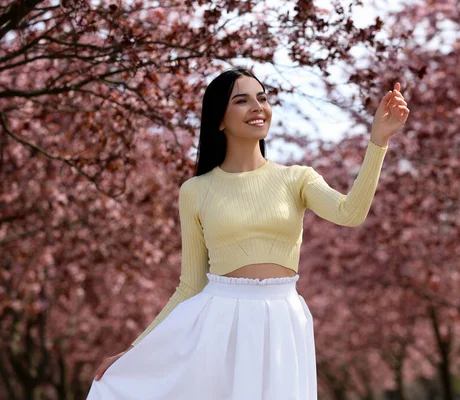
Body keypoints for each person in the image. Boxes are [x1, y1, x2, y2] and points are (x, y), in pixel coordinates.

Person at [86, 67, 409, 399]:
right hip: (219, 320)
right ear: (220, 119)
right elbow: (190, 285)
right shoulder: (196, 190)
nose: (257, 107)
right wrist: (135, 350)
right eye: (241, 100)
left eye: (262, 98)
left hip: (284, 318)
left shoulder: (297, 178)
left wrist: (378, 140)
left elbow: (350, 213)